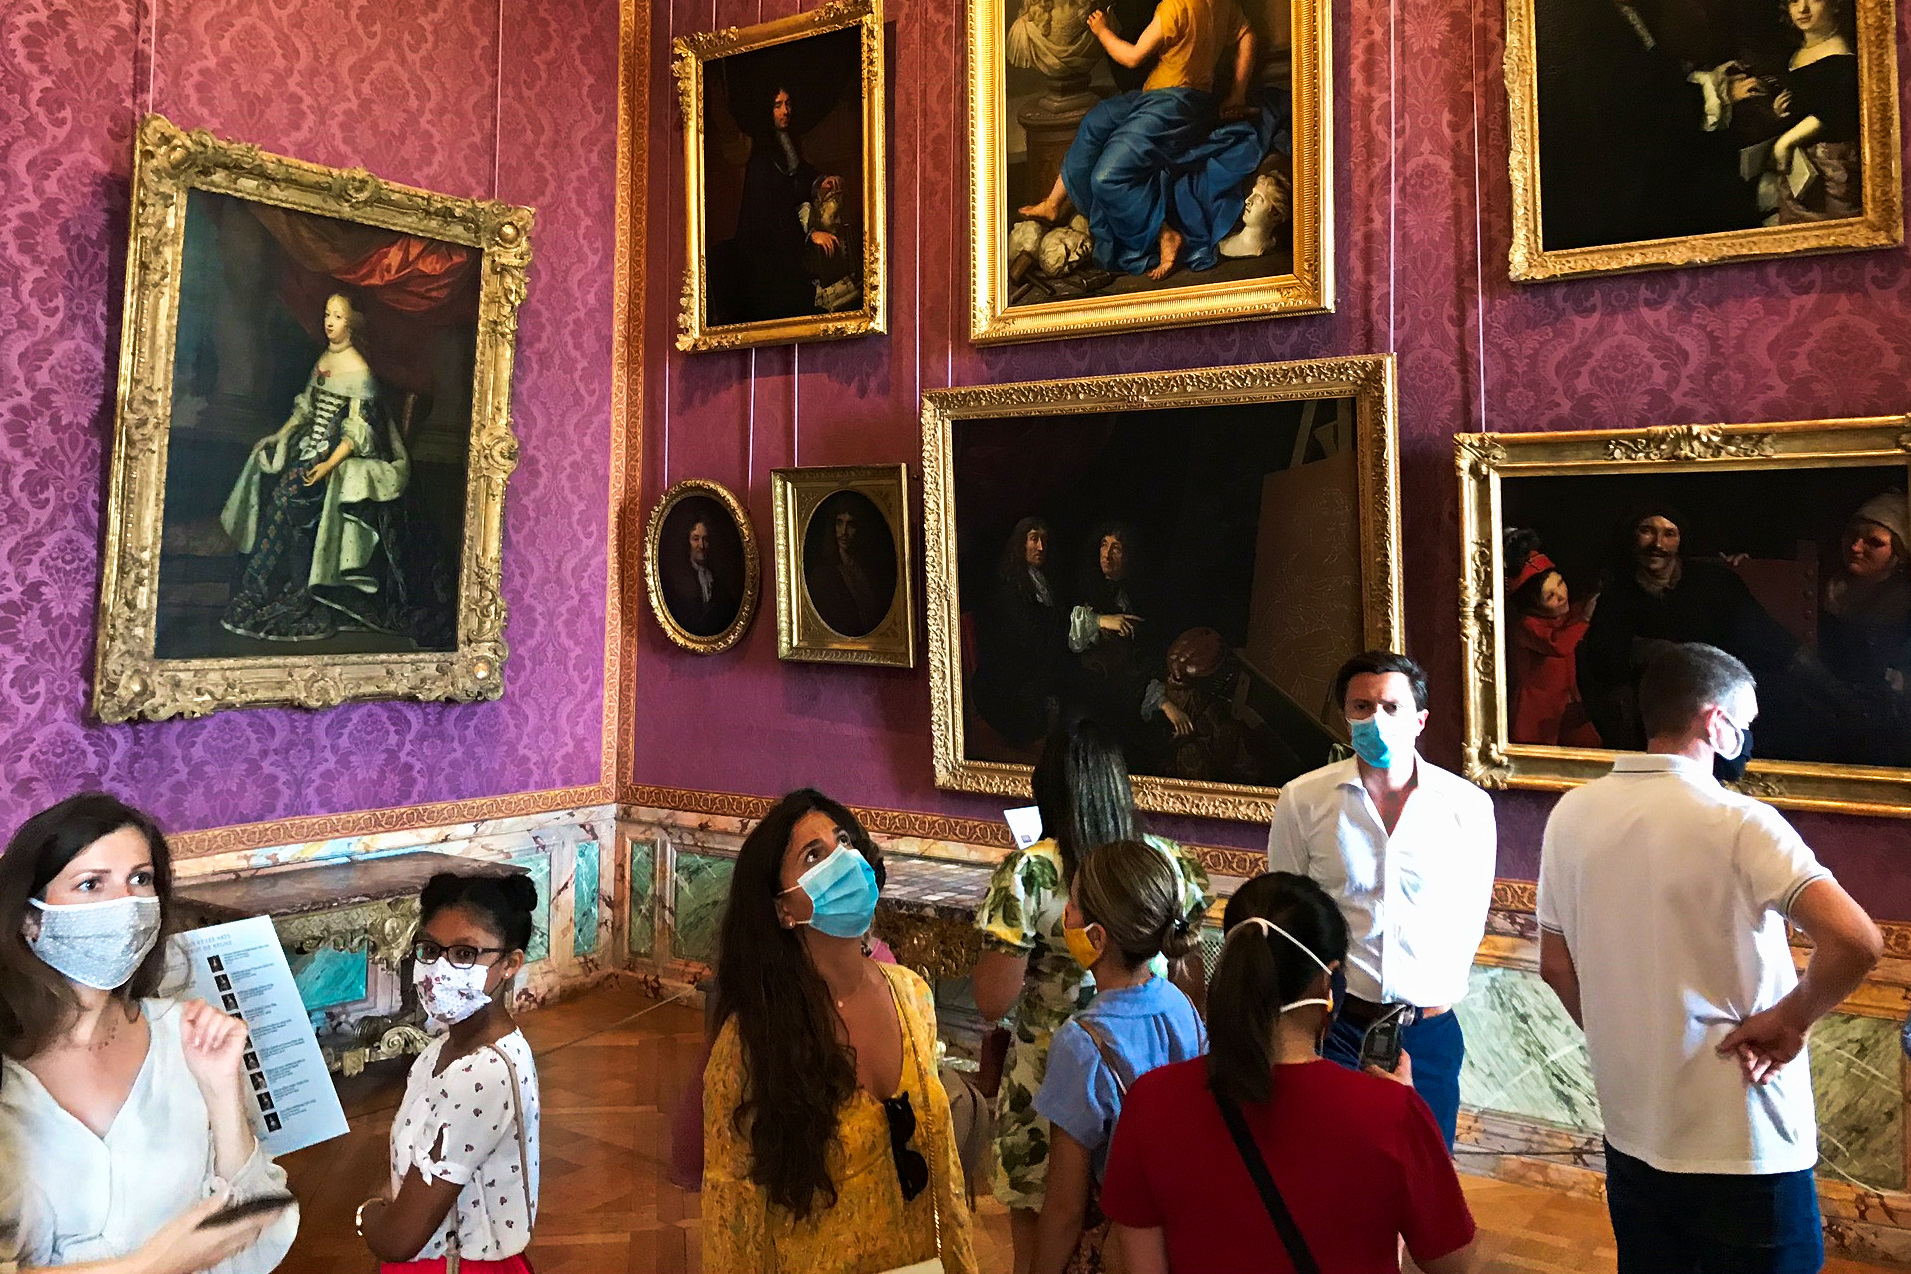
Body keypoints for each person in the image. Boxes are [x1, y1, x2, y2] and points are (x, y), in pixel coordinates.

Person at [1537, 642, 1882, 1273]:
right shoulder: (1741, 822)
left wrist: (1630, 1037)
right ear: (1714, 720)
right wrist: (1791, 1020)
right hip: (1742, 1135)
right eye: (1744, 722)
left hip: (1632, 1130)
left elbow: (1555, 966)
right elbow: (1856, 940)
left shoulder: (1571, 814)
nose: (1746, 737)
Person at [1099, 872, 1480, 1273]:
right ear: (1329, 980)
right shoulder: (1392, 1114)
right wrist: (1402, 1113)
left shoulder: (1151, 1102)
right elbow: (1454, 1263)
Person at [0, 794, 299, 1273]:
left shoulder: (183, 1034)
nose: (126, 905)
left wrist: (222, 1092)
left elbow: (257, 1226)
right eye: (91, 884)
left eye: (140, 879)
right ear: (30, 919)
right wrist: (153, 1264)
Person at [702, 790, 977, 1274]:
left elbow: (945, 1172)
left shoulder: (911, 994)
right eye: (814, 856)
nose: (843, 862)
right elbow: (733, 1220)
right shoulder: (750, 1043)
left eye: (844, 842)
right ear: (784, 909)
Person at [971, 721, 1211, 1274]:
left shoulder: (1033, 871)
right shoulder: (1165, 860)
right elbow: (1189, 981)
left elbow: (990, 1001)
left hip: (1049, 1079)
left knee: (1045, 1232)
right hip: (1150, 1066)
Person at [1264, 649, 1496, 1149]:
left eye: (1392, 707)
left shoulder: (1467, 807)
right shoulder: (1303, 800)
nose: (1377, 719)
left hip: (1426, 1030)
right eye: (1362, 707)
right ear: (1346, 717)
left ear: (1419, 720)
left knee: (1425, 1166)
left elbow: (1470, 918)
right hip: (1338, 1026)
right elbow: (1287, 913)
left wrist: (1430, 990)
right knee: (1333, 1165)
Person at [221, 292, 452, 647]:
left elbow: (358, 432)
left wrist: (328, 465)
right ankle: (261, 588)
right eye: (327, 314)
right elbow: (306, 409)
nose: (329, 322)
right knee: (266, 477)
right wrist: (278, 436)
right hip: (310, 447)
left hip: (339, 457)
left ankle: (280, 588)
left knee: (287, 497)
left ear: (352, 323)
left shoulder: (359, 371)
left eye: (338, 316)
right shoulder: (325, 358)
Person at [1029, 838, 1207, 1274]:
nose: (1066, 914)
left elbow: (1066, 1207)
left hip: (1119, 1245)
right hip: (1180, 1236)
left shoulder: (1081, 1042)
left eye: (1073, 904)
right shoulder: (1181, 1004)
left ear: (1096, 937)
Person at [356, 871, 541, 1272]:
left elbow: (398, 1240)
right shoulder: (442, 1049)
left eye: (464, 954)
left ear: (509, 964)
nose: (439, 971)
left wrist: (366, 1212)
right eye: (430, 950)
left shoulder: (483, 1073)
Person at [1016, 0, 1268, 279]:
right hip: (1160, 97)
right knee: (1096, 121)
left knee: (1107, 177)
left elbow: (1132, 58)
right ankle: (1053, 203)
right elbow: (1247, 34)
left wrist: (1101, 31)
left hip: (1171, 107)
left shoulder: (1176, 7)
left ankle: (1165, 235)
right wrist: (1237, 93)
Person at [1533, 0, 1766, 250]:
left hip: (1646, 164)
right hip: (1620, 193)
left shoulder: (1628, 10)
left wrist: (1709, 83)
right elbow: (1632, 107)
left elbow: (1652, 78)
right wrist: (1713, 95)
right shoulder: (1580, 20)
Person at [1576, 502, 1809, 753]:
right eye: (1647, 531)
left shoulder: (1713, 581)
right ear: (1633, 537)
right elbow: (1606, 659)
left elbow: (1761, 636)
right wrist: (1668, 655)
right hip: (1658, 707)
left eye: (1669, 534)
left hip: (1721, 693)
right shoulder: (1616, 594)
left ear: (1680, 542)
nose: (1657, 544)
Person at [1815, 493, 1911, 764]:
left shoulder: (1904, 603)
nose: (1856, 547)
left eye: (1874, 542)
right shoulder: (1817, 583)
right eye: (1852, 535)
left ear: (1899, 554)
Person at [972, 517, 1070, 748]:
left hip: (1033, 667)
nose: (1041, 547)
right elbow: (1029, 634)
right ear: (1020, 544)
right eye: (1034, 539)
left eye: (1044, 540)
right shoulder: (1009, 588)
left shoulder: (1043, 582)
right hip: (1009, 681)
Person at [1504, 529, 1601, 748]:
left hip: (1568, 702)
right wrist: (1585, 619)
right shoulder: (1527, 626)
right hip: (1537, 710)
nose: (1561, 595)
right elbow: (1558, 645)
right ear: (1533, 605)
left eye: (1560, 583)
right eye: (1550, 596)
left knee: (1589, 748)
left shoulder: (1562, 614)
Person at [1771, 0, 1861, 223]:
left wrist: (1785, 142)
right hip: (1801, 164)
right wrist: (1782, 111)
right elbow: (1808, 102)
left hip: (1832, 162)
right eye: (1794, 1)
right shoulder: (1796, 53)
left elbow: (1834, 112)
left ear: (1834, 5)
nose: (1802, 9)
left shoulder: (1840, 52)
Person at [804, 496, 895, 638]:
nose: (843, 532)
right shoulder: (823, 574)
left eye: (851, 525)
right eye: (839, 523)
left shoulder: (869, 569)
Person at [663, 513, 740, 638]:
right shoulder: (678, 580)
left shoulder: (715, 578)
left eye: (705, 539)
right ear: (687, 542)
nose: (702, 545)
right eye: (695, 539)